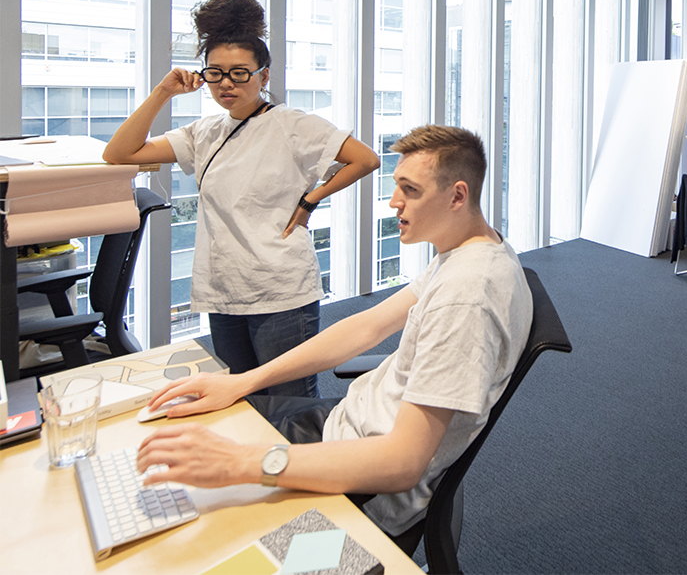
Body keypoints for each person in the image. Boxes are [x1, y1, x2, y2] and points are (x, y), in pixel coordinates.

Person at [135, 124, 533, 548]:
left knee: (182, 533)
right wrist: (243, 381)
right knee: (193, 431)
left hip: (361, 485)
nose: (394, 202)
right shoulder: (469, 250)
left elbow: (402, 463)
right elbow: (368, 326)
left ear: (457, 196)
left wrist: (240, 463)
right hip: (343, 424)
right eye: (397, 186)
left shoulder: (467, 296)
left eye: (410, 190)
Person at [104, 0, 380, 397]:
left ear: (263, 77)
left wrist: (311, 200)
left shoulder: (292, 124)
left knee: (288, 402)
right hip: (224, 289)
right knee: (240, 399)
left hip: (280, 290)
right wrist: (163, 91)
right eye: (215, 73)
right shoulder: (204, 132)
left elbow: (366, 159)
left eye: (239, 73)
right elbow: (119, 154)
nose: (227, 83)